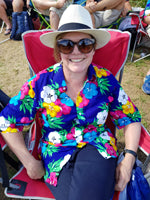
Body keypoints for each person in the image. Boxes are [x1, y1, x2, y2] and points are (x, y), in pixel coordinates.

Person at [0, 4, 141, 200]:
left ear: (93, 50)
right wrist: (29, 161)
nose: (76, 52)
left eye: (84, 44)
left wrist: (128, 160)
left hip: (96, 147)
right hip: (56, 155)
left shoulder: (105, 81)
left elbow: (131, 118)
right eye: (66, 45)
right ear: (58, 50)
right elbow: (7, 122)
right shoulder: (41, 83)